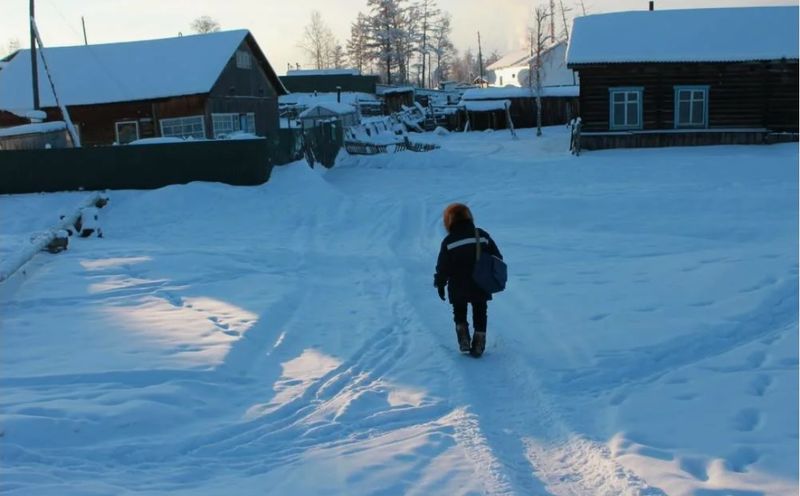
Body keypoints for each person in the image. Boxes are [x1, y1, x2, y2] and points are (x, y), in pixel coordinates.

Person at [434, 203, 503, 357]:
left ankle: (463, 339)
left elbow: (443, 266)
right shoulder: (482, 235)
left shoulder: (449, 241)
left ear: (449, 221)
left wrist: (440, 283)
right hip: (480, 282)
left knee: (459, 310)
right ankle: (479, 343)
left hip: (458, 284)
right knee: (480, 310)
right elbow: (497, 257)